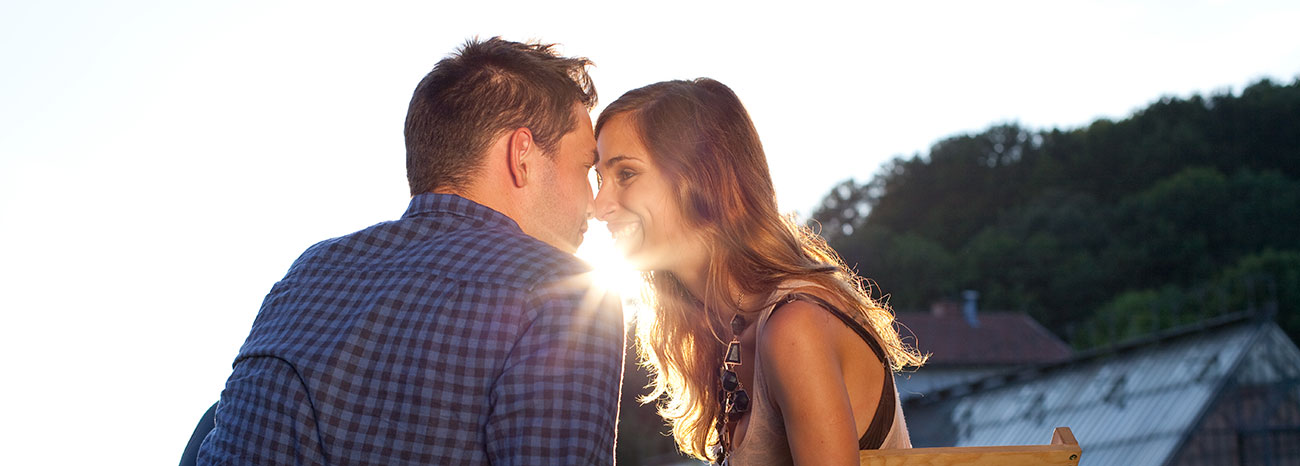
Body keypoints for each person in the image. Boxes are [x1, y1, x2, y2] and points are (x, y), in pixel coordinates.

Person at [197, 37, 625, 466]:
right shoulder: (569, 295)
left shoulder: (308, 273)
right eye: (586, 167)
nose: (594, 201)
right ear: (522, 156)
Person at [592, 78, 927, 465]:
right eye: (599, 178)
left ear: (704, 179)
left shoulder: (794, 326)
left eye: (626, 175)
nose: (599, 205)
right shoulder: (724, 328)